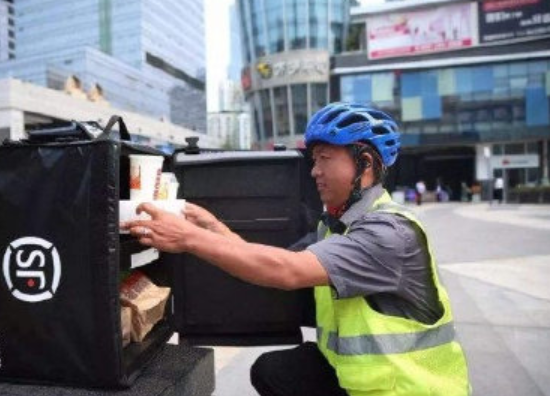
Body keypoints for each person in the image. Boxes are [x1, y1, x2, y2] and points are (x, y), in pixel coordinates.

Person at [122, 103, 471, 396]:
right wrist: (216, 229)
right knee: (276, 372)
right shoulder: (337, 226)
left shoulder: (389, 233)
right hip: (359, 380)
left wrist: (187, 238)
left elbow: (286, 272)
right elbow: (279, 262)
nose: (315, 171)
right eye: (313, 160)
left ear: (365, 163)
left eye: (324, 158)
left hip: (410, 390)